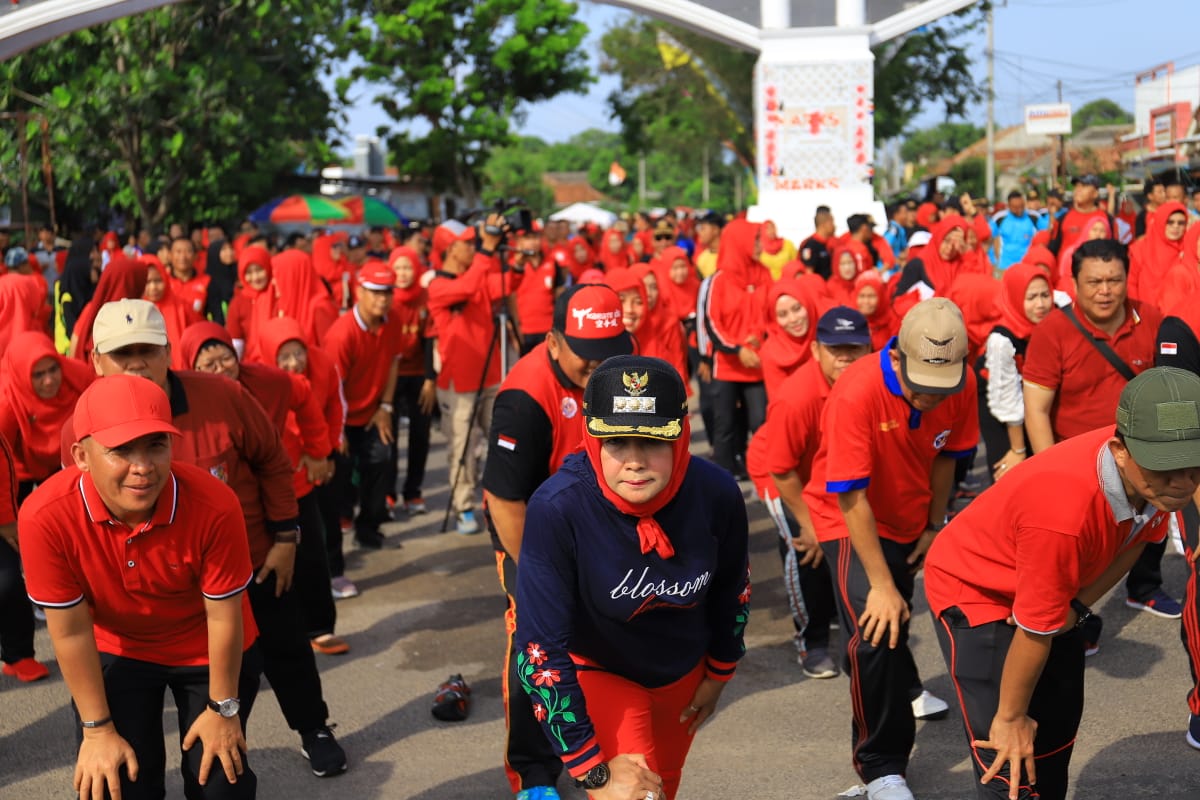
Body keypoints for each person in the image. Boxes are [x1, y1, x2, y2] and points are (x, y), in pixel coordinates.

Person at [82, 298, 348, 778]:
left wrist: (287, 536)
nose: (136, 363)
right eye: (122, 354)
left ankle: (314, 728)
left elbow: (271, 459)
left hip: (249, 561)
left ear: (168, 352)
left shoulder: (222, 395)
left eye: (147, 349)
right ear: (96, 361)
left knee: (286, 647)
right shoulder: (81, 427)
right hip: (153, 587)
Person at [925, 367, 1200, 800]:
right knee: (1010, 760)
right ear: (1119, 450)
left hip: (1050, 583)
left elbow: (1141, 536)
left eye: (1193, 465)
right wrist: (1012, 716)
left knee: (1056, 733)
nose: (1184, 482)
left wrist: (1078, 605)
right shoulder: (1063, 512)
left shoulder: (1153, 472)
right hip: (978, 589)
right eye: (1168, 469)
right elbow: (1036, 628)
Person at [514, 355, 750, 800]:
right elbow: (539, 650)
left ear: (681, 435)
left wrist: (721, 671)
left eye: (654, 441)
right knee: (634, 797)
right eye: (617, 441)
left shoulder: (717, 493)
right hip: (602, 671)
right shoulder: (557, 507)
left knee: (666, 786)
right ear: (590, 436)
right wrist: (591, 770)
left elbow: (733, 587)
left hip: (682, 674)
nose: (635, 461)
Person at [22, 374, 262, 800]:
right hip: (119, 647)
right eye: (120, 449)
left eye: (155, 445)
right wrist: (96, 731)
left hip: (206, 645)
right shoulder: (45, 516)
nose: (143, 466)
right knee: (114, 785)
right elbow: (71, 631)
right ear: (81, 455)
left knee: (222, 786)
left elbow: (224, 615)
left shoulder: (215, 503)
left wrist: (224, 709)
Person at [804, 298, 978, 800]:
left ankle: (900, 686)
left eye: (940, 385)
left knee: (895, 616)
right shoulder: (856, 392)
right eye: (920, 383)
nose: (929, 396)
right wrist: (879, 583)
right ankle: (881, 766)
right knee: (876, 630)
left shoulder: (960, 384)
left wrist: (933, 524)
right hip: (847, 516)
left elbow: (947, 455)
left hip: (909, 517)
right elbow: (851, 495)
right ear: (897, 357)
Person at [483, 284, 633, 800]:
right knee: (536, 639)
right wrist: (544, 578)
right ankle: (535, 771)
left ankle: (607, 735)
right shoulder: (524, 397)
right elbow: (505, 501)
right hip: (531, 529)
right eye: (586, 356)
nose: (598, 367)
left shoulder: (623, 371)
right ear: (552, 340)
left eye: (609, 352)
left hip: (601, 520)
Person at [1023, 239, 1176, 624]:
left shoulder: (1151, 319)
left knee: (1148, 527)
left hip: (1142, 452)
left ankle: (1144, 589)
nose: (1105, 291)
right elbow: (1037, 409)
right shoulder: (1052, 331)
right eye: (1094, 282)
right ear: (1074, 282)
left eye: (1114, 280)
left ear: (1128, 278)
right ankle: (1081, 617)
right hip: (1079, 462)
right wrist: (1048, 471)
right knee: (1086, 547)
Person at [746, 307, 872, 679]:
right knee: (806, 550)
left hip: (830, 474)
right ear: (816, 350)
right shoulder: (796, 396)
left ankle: (832, 612)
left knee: (844, 543)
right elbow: (780, 468)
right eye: (836, 349)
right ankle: (811, 641)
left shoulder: (871, 381)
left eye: (855, 347)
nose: (846, 357)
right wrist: (808, 523)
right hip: (781, 474)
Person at [427, 214, 518, 534]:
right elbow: (467, 287)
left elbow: (503, 284)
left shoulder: (476, 274)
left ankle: (497, 498)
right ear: (451, 249)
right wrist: (488, 251)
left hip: (490, 374)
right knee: (463, 448)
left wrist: (518, 260)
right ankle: (464, 506)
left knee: (501, 442)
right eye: (468, 243)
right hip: (458, 383)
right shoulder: (438, 285)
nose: (474, 247)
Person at [324, 260, 405, 550]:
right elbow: (332, 388)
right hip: (341, 415)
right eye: (375, 292)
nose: (382, 299)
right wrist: (338, 429)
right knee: (341, 471)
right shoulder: (342, 333)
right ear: (359, 292)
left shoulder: (393, 321)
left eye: (387, 292)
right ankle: (342, 519)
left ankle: (368, 526)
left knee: (381, 460)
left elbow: (394, 362)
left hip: (373, 412)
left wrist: (385, 407)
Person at [703, 219, 770, 478]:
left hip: (756, 363)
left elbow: (771, 310)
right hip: (728, 364)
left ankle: (764, 471)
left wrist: (758, 337)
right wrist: (737, 348)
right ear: (739, 242)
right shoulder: (718, 281)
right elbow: (712, 323)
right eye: (754, 239)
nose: (759, 245)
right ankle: (724, 474)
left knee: (760, 422)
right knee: (726, 426)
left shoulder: (763, 273)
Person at [0, 331, 95, 499]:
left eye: (53, 369)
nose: (49, 380)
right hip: (21, 470)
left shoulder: (77, 376)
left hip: (71, 459)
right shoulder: (7, 403)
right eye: (38, 375)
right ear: (21, 375)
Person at [979, 263, 1052, 480]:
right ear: (1015, 298)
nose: (1040, 304)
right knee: (1010, 473)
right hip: (999, 405)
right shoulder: (1001, 341)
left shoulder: (1054, 321)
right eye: (1031, 298)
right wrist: (1018, 450)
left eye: (1044, 295)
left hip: (1031, 398)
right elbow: (1008, 402)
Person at [758, 277, 820, 399]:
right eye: (782, 315)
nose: (793, 319)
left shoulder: (826, 337)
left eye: (797, 309)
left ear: (808, 305)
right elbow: (781, 403)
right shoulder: (771, 353)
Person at [990, 190, 1038, 272]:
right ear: (1008, 206)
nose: (1019, 210)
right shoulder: (999, 218)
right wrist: (994, 260)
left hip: (1027, 266)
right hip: (1005, 267)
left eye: (1022, 206)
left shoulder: (1033, 216)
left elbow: (1048, 232)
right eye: (1015, 207)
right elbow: (986, 236)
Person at [798, 207, 836, 279]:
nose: (834, 226)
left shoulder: (828, 243)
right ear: (823, 225)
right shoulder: (810, 245)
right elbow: (809, 272)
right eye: (831, 222)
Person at [693, 212, 723, 279]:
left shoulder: (730, 255)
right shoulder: (702, 258)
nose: (700, 232)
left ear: (715, 230)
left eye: (703, 228)